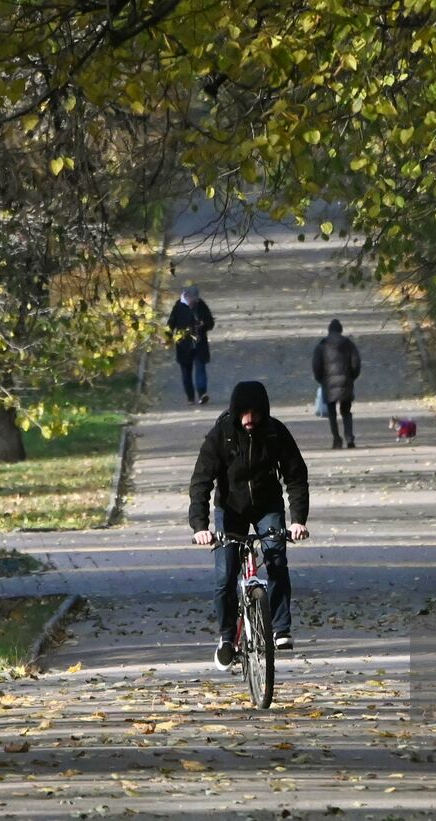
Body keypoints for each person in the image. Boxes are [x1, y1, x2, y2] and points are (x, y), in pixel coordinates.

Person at [189, 381, 310, 669]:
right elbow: (201, 482)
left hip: (268, 506)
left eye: (255, 413)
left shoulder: (275, 432)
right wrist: (200, 527)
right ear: (234, 412)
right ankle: (227, 637)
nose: (249, 420)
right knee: (225, 574)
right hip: (230, 510)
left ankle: (281, 629)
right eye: (243, 413)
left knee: (277, 559)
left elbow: (296, 477)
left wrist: (298, 521)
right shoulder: (221, 435)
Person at [311, 318, 361, 449]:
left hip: (328, 384)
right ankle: (349, 438)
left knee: (332, 413)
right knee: (346, 411)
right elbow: (356, 364)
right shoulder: (349, 344)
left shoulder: (322, 345)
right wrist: (351, 377)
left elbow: (316, 365)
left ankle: (336, 439)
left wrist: (320, 379)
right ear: (341, 330)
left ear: (329, 331)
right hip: (346, 382)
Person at [166, 284, 214, 405]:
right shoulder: (178, 306)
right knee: (186, 372)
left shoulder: (201, 305)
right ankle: (190, 397)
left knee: (200, 369)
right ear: (186, 297)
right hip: (183, 345)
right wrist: (167, 337)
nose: (194, 302)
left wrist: (203, 325)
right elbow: (171, 324)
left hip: (199, 343)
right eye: (193, 299)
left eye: (196, 299)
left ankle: (202, 394)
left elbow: (210, 322)